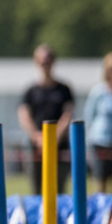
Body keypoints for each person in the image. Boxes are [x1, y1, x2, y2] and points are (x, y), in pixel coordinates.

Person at [18, 44, 74, 195]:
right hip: (35, 146)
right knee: (36, 189)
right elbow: (24, 114)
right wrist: (37, 137)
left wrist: (54, 137)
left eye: (48, 60)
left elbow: (68, 114)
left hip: (59, 144)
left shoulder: (64, 90)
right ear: (36, 62)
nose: (45, 64)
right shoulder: (30, 91)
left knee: (59, 189)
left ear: (53, 62)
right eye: (42, 61)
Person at [84, 52, 112, 193]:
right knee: (100, 184)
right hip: (100, 144)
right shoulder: (98, 92)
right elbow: (88, 116)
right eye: (111, 69)